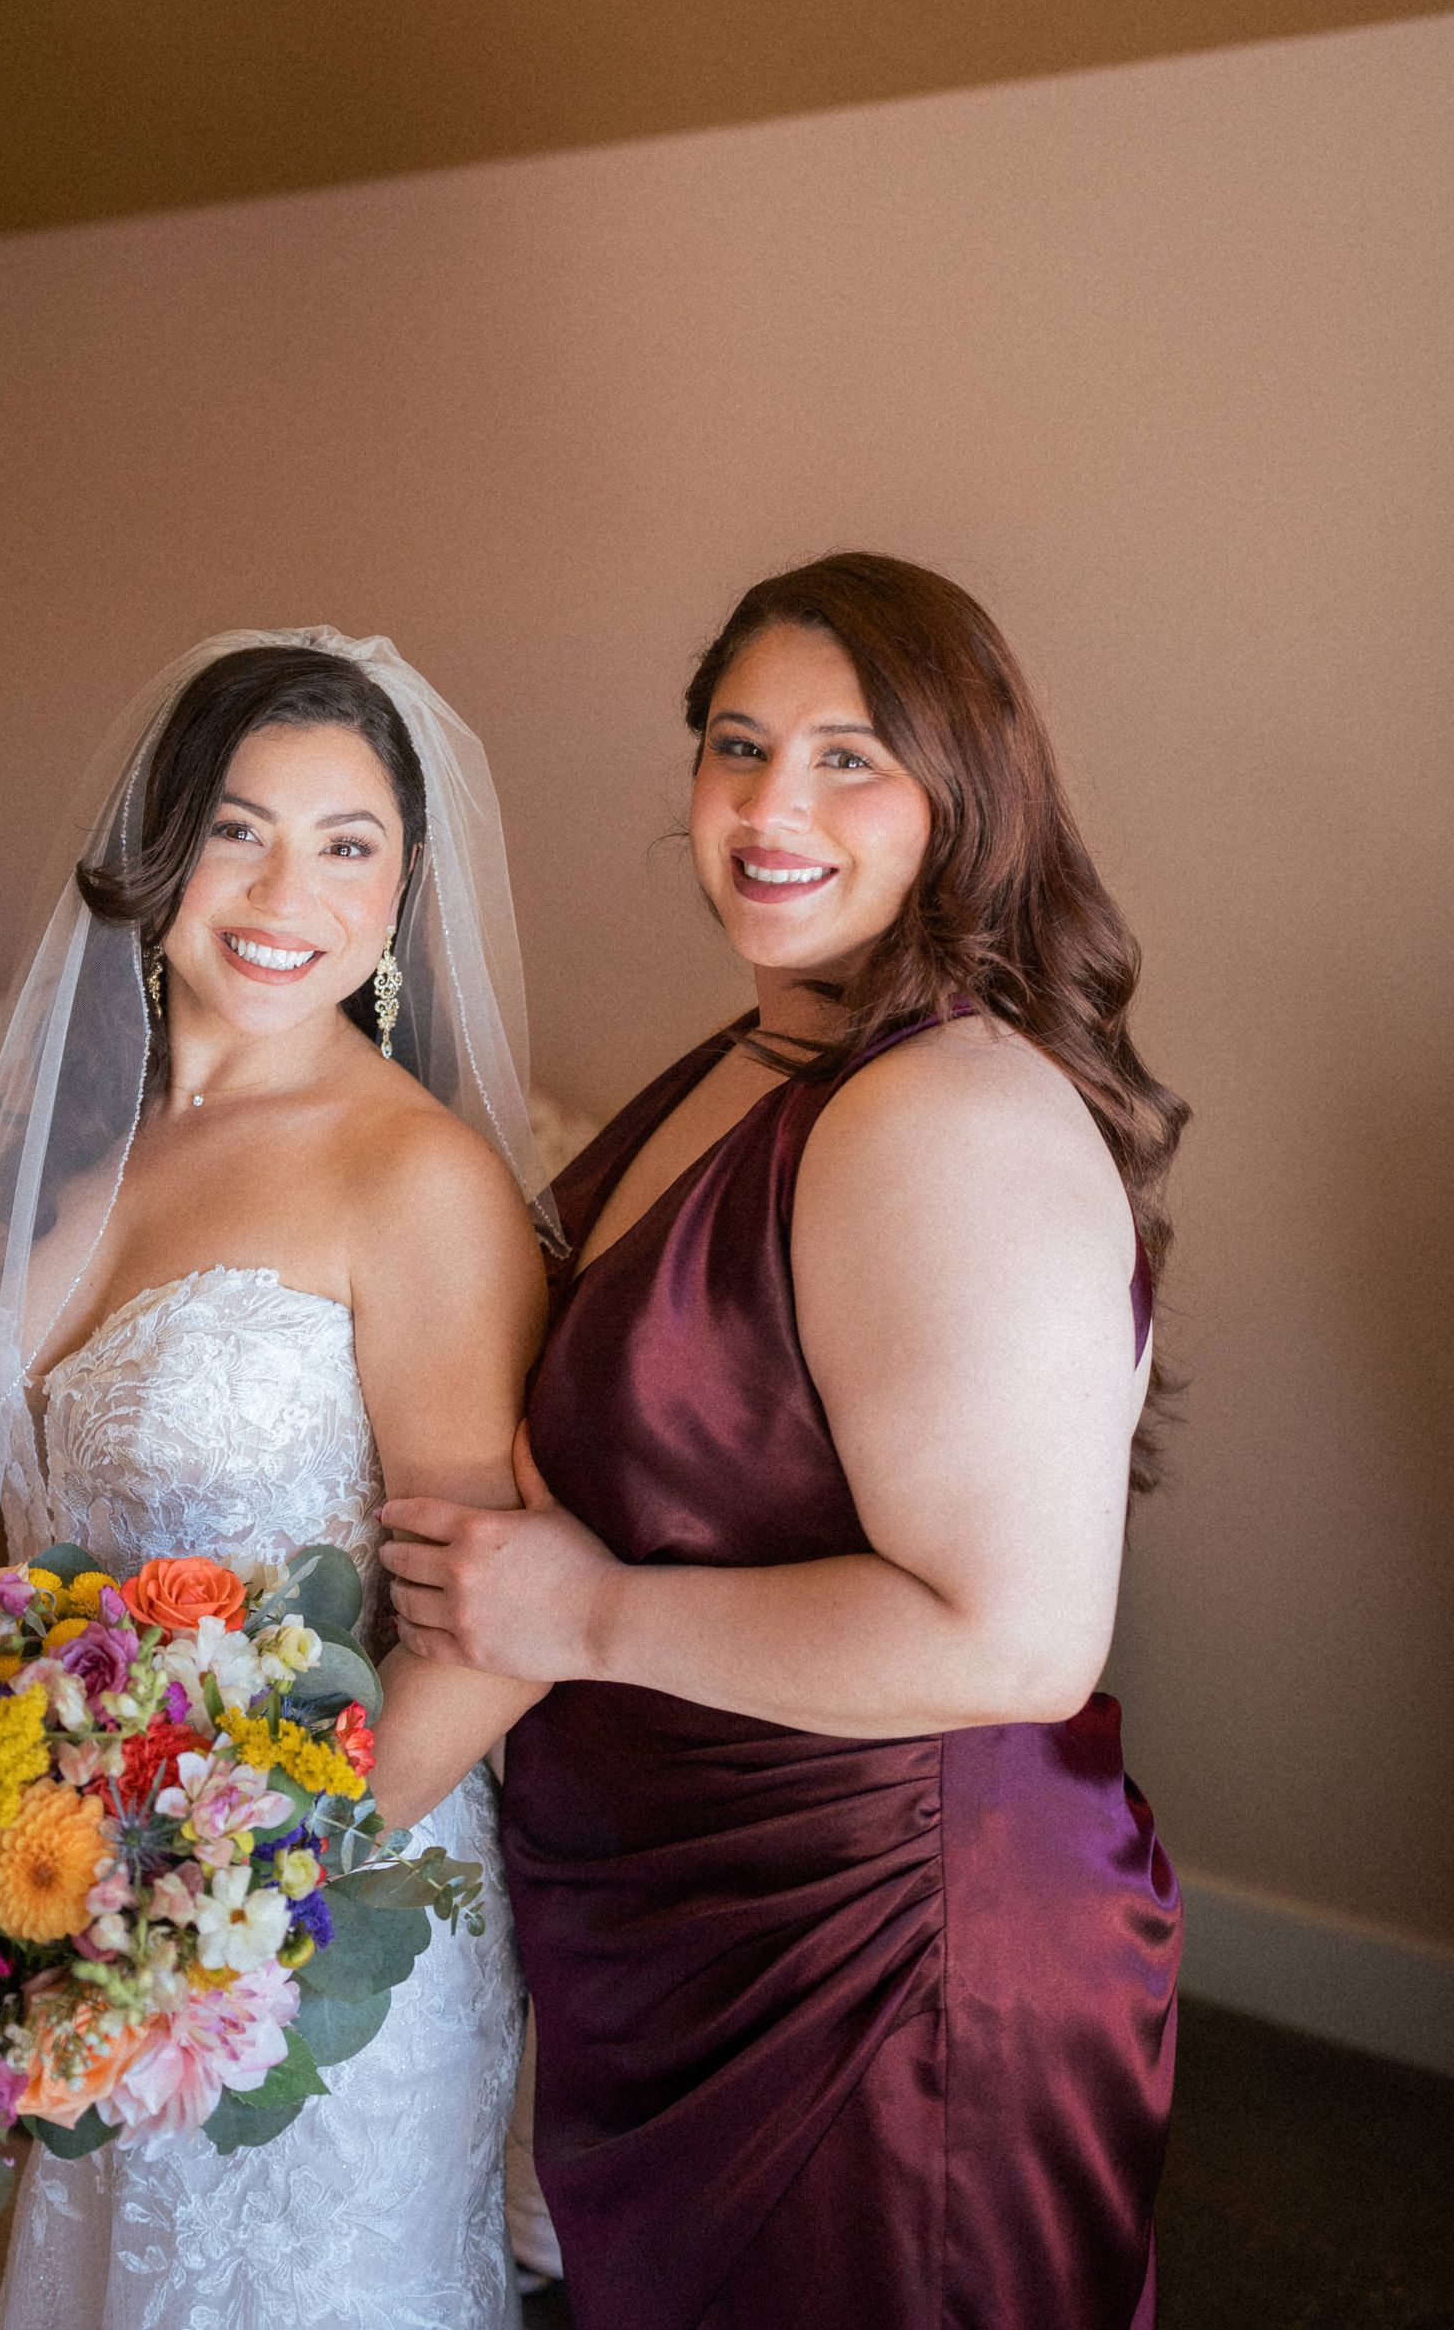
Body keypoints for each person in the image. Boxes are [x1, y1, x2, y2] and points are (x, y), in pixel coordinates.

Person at [382, 555, 1187, 2330]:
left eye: (848, 760)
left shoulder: (944, 1115)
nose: (769, 809)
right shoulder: (762, 1055)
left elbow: (1018, 1643)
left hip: (888, 1961)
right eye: (737, 747)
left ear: (964, 798)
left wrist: (585, 1617)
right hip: (687, 1924)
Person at [0, 630, 551, 2330]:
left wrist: (233, 1918)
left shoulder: (419, 1182)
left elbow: (492, 1630)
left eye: (346, 845)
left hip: (313, 1932)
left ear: (402, 891)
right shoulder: (46, 1133)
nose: (284, 893)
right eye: (239, 830)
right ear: (159, 846)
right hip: (83, 1892)